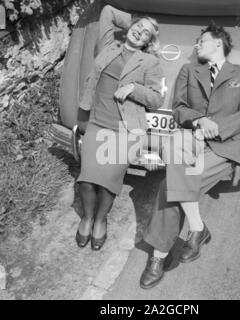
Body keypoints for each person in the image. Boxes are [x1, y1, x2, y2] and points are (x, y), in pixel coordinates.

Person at [140, 23, 240, 289]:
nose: (197, 45)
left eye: (202, 40)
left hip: (226, 144)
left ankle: (158, 258)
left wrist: (218, 129)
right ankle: (196, 228)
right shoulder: (189, 70)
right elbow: (178, 108)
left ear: (219, 42)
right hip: (191, 137)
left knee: (171, 186)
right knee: (178, 181)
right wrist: (200, 120)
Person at [76, 5, 164, 250]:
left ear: (149, 42)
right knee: (86, 180)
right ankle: (86, 217)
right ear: (129, 27)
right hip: (96, 122)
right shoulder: (108, 45)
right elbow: (107, 12)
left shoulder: (150, 62)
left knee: (108, 183)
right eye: (137, 27)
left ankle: (101, 220)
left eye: (146, 33)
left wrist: (134, 89)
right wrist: (136, 21)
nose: (139, 32)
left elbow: (157, 99)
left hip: (125, 129)